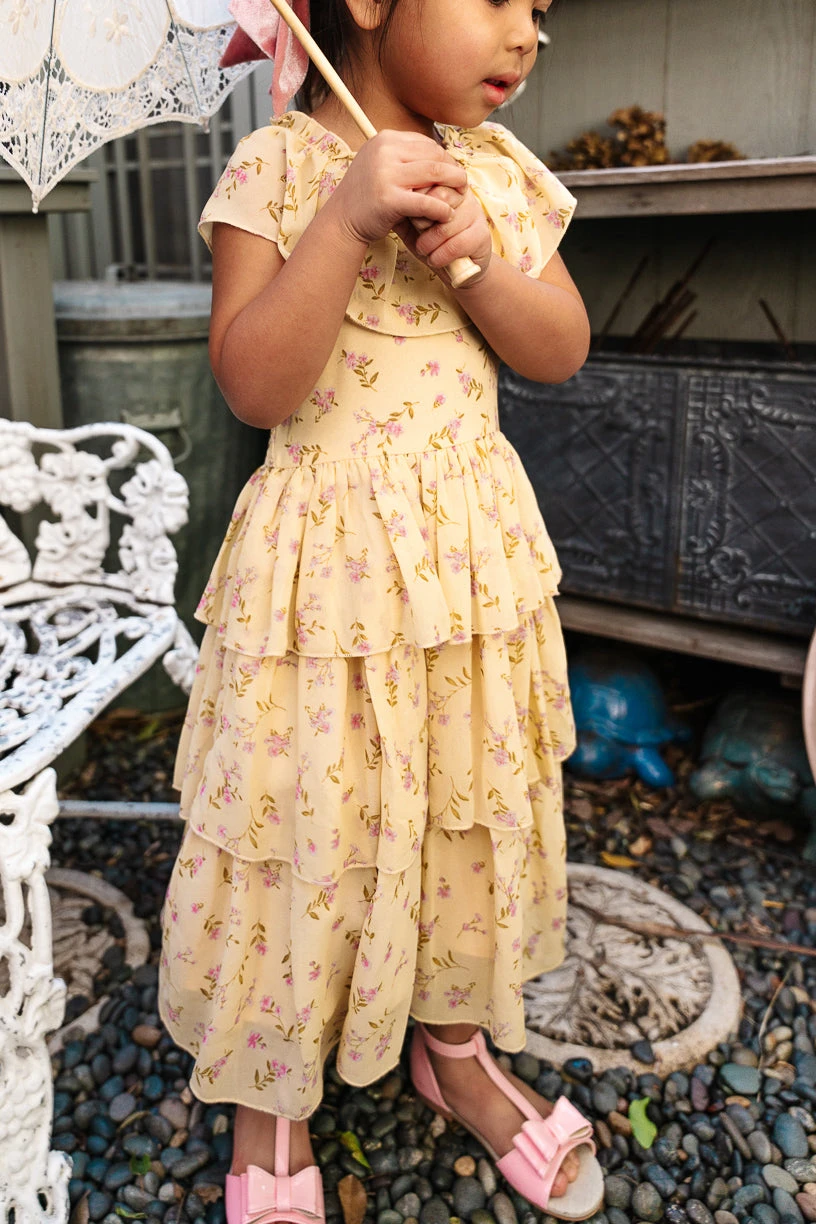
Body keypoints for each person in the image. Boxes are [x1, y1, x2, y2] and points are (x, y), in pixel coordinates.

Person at [158, 0, 604, 1219]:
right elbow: (255, 385)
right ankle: (270, 1090)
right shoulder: (280, 168)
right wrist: (345, 222)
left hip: (464, 579)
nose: (527, 34)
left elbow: (561, 348)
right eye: (497, 0)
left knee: (466, 806)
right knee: (303, 815)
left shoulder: (495, 172)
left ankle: (451, 1048)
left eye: (540, 13)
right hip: (325, 582)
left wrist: (478, 256)